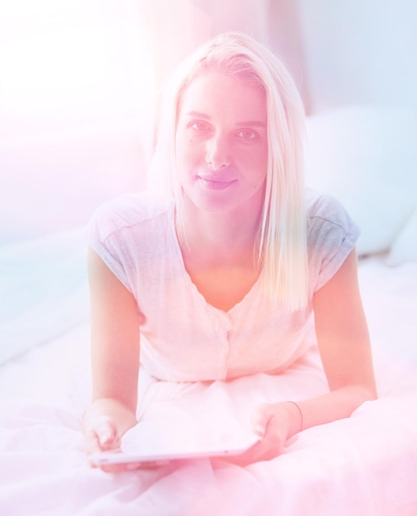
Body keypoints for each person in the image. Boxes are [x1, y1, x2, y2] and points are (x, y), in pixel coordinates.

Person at [82, 32, 377, 469]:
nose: (217, 155)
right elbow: (111, 400)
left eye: (248, 134)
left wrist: (293, 415)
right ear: (173, 130)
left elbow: (357, 389)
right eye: (199, 126)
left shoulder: (321, 232)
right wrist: (106, 426)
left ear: (277, 145)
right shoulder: (119, 239)